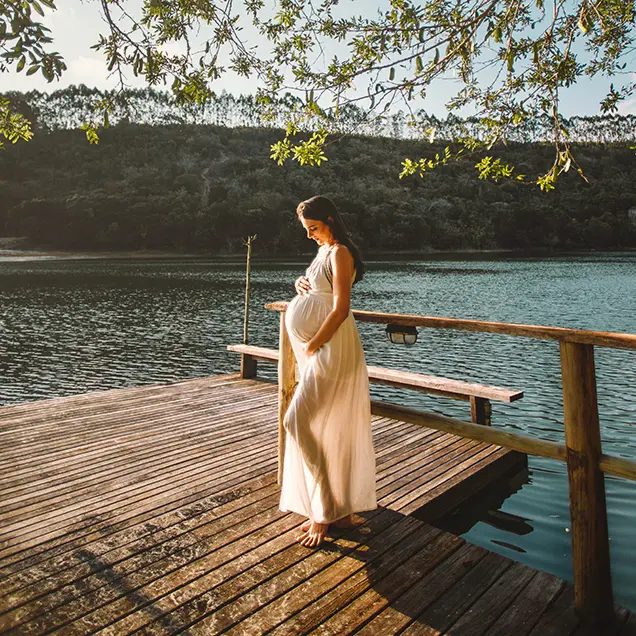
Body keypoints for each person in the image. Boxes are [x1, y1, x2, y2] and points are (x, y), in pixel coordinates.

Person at [279, 195, 377, 548]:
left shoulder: (339, 252)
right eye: (307, 230)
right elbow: (317, 288)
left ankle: (323, 510)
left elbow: (340, 309)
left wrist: (311, 344)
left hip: (330, 349)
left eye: (314, 228)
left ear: (330, 221)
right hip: (319, 351)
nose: (310, 235)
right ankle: (339, 510)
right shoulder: (323, 252)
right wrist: (299, 285)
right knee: (323, 425)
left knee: (296, 421)